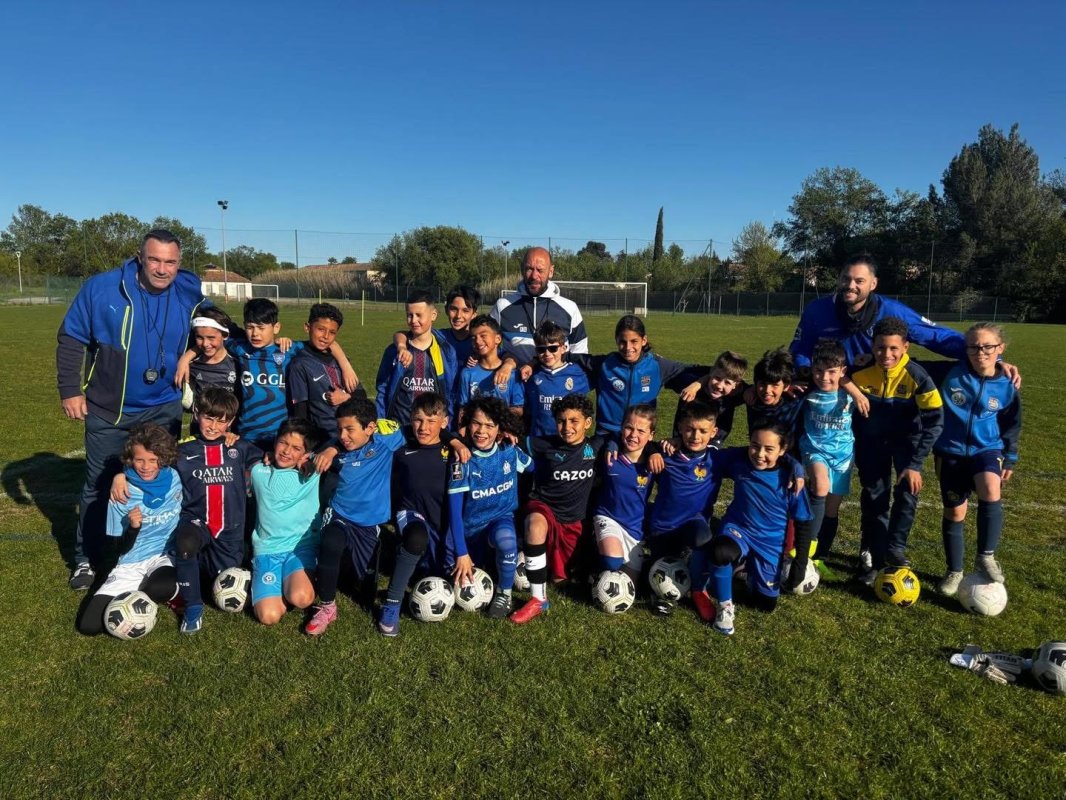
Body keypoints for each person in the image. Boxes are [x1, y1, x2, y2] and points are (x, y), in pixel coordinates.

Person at [58, 229, 207, 590]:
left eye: (170, 262)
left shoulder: (189, 289)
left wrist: (189, 354)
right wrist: (69, 390)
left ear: (180, 263)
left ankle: (153, 553)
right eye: (154, 259)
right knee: (99, 484)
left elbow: (216, 329)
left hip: (163, 409)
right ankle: (85, 559)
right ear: (140, 257)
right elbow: (71, 336)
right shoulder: (103, 288)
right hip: (110, 409)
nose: (162, 269)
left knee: (162, 485)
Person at [851, 317, 944, 582]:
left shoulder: (917, 376)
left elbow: (935, 421)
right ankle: (874, 556)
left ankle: (895, 548)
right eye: (880, 348)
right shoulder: (860, 371)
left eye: (893, 348)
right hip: (871, 445)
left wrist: (915, 464)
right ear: (872, 346)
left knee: (907, 494)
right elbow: (834, 376)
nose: (886, 354)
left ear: (905, 347)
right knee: (875, 498)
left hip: (907, 446)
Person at [304, 397, 407, 635]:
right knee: (331, 541)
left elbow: (416, 429)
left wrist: (454, 440)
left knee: (365, 592)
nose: (343, 435)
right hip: (341, 513)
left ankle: (349, 568)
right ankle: (327, 606)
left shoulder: (386, 443)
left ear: (370, 428)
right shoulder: (335, 452)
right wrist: (330, 447)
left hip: (370, 523)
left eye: (350, 429)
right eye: (339, 429)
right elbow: (308, 456)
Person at [933, 323, 1021, 595]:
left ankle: (986, 555)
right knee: (955, 512)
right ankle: (954, 571)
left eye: (987, 347)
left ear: (1000, 349)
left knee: (990, 489)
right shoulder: (951, 373)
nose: (980, 352)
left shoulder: (1007, 384)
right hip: (950, 452)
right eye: (973, 346)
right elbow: (905, 362)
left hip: (988, 449)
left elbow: (1012, 423)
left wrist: (1010, 457)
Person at [705, 421, 813, 636]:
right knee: (721, 551)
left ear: (783, 450)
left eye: (769, 449)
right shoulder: (739, 461)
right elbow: (703, 452)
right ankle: (726, 606)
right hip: (739, 529)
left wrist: (799, 563)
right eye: (755, 445)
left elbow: (803, 522)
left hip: (770, 542)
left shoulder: (792, 480)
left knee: (765, 605)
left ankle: (744, 572)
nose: (760, 454)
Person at [377, 393, 470, 636]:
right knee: (416, 538)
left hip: (443, 521)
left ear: (444, 421)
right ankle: (391, 605)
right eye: (418, 420)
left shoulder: (454, 450)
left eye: (431, 421)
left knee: (442, 571)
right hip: (409, 513)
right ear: (410, 419)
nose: (423, 427)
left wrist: (455, 441)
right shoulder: (401, 445)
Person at [76, 423, 182, 636]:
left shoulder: (174, 479)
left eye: (153, 460)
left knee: (160, 589)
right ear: (129, 459)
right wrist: (133, 528)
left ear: (163, 458)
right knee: (88, 626)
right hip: (129, 562)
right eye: (139, 459)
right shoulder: (122, 493)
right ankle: (134, 588)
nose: (146, 466)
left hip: (162, 556)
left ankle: (148, 588)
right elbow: (113, 548)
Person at [510, 394, 607, 624]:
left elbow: (621, 441)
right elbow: (517, 442)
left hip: (573, 521)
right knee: (534, 525)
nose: (567, 427)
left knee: (561, 579)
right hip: (544, 507)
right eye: (561, 421)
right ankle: (537, 599)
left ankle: (540, 565)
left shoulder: (597, 446)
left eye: (574, 421)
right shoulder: (546, 444)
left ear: (588, 423)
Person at [172, 389, 263, 632]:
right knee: (185, 546)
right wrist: (121, 475)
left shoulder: (240, 447)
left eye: (222, 421)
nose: (213, 426)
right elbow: (146, 463)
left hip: (230, 528)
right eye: (208, 418)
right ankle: (192, 607)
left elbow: (271, 460)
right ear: (196, 413)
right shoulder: (181, 451)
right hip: (196, 522)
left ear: (231, 422)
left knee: (220, 580)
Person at [790, 255, 968, 371]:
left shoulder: (892, 311)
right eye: (846, 279)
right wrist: (804, 372)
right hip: (833, 389)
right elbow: (801, 349)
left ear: (873, 284)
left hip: (875, 391)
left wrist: (978, 350)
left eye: (859, 281)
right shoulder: (817, 309)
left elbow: (935, 336)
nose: (851, 286)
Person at [448, 397, 532, 619]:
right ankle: (494, 564)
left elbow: (535, 468)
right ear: (468, 423)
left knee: (506, 539)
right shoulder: (462, 459)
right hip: (470, 531)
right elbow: (454, 512)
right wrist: (462, 552)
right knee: (444, 571)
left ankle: (504, 594)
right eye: (476, 423)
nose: (481, 431)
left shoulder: (509, 451)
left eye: (489, 426)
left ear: (500, 429)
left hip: (499, 520)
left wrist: (518, 443)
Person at [567, 315, 708, 436]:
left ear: (644, 340)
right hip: (607, 433)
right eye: (622, 342)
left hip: (640, 435)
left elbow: (703, 370)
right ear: (616, 340)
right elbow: (569, 357)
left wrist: (698, 383)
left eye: (634, 341)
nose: (628, 348)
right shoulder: (604, 364)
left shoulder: (657, 365)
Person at [645, 401, 722, 619]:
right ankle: (660, 595)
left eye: (702, 431)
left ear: (713, 432)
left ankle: (699, 590)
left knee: (703, 539)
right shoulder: (666, 453)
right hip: (662, 526)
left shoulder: (717, 458)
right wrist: (653, 451)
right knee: (660, 567)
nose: (695, 436)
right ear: (680, 427)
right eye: (689, 429)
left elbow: (750, 454)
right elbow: (641, 445)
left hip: (693, 523)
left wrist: (795, 466)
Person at [249, 419, 323, 626]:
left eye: (296, 448)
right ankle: (278, 585)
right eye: (283, 443)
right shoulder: (258, 471)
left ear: (304, 453)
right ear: (274, 442)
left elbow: (336, 446)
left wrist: (313, 457)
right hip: (267, 550)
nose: (287, 451)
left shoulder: (313, 473)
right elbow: (239, 449)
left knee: (301, 598)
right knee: (268, 616)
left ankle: (292, 582)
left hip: (300, 547)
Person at [801, 341, 859, 566]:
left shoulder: (851, 395)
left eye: (831, 372)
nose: (824, 377)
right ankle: (807, 547)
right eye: (818, 371)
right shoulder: (808, 393)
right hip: (815, 450)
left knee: (832, 510)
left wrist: (858, 393)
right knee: (820, 484)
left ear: (843, 372)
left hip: (843, 457)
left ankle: (820, 556)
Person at [592, 404, 662, 581]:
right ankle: (592, 560)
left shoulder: (655, 463)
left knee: (630, 586)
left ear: (651, 435)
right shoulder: (608, 456)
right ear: (621, 428)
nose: (633, 435)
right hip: (607, 517)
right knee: (612, 561)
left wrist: (655, 452)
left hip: (634, 528)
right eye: (629, 428)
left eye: (641, 431)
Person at [491, 246, 589, 364]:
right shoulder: (503, 306)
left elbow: (579, 353)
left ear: (551, 272)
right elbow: (488, 345)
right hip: (516, 381)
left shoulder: (569, 308)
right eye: (529, 269)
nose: (534, 276)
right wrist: (509, 361)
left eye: (540, 270)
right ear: (522, 269)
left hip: (554, 381)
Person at [376, 290, 459, 425]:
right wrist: (380, 420)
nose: (414, 320)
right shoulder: (393, 351)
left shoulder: (446, 352)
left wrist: (448, 426)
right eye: (410, 315)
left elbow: (450, 393)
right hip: (400, 428)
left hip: (432, 430)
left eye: (419, 315)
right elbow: (382, 389)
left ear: (433, 315)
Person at [288, 302, 366, 439]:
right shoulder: (300, 364)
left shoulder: (341, 360)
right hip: (322, 438)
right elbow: (300, 411)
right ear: (307, 327)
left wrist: (346, 397)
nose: (325, 336)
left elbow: (361, 394)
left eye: (332, 332)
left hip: (349, 436)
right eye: (321, 329)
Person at [523, 321, 590, 437]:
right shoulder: (531, 374)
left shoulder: (579, 374)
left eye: (553, 348)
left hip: (568, 439)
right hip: (539, 440)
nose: (547, 353)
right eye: (541, 350)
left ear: (563, 348)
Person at [456, 315, 525, 422]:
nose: (478, 341)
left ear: (497, 338)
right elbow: (463, 408)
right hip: (477, 434)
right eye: (474, 337)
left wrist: (495, 419)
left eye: (483, 336)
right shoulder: (467, 373)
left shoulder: (512, 374)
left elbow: (518, 409)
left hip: (503, 432)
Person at [674, 350, 748, 446]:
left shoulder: (739, 393)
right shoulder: (691, 387)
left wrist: (750, 392)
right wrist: (697, 384)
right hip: (681, 441)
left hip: (713, 445)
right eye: (717, 378)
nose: (719, 386)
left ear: (736, 385)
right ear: (711, 373)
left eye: (727, 382)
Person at [184, 306, 239, 409]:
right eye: (199, 337)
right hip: (200, 424)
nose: (205, 344)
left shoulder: (238, 363)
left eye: (211, 337)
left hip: (231, 424)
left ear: (225, 335)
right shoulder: (190, 365)